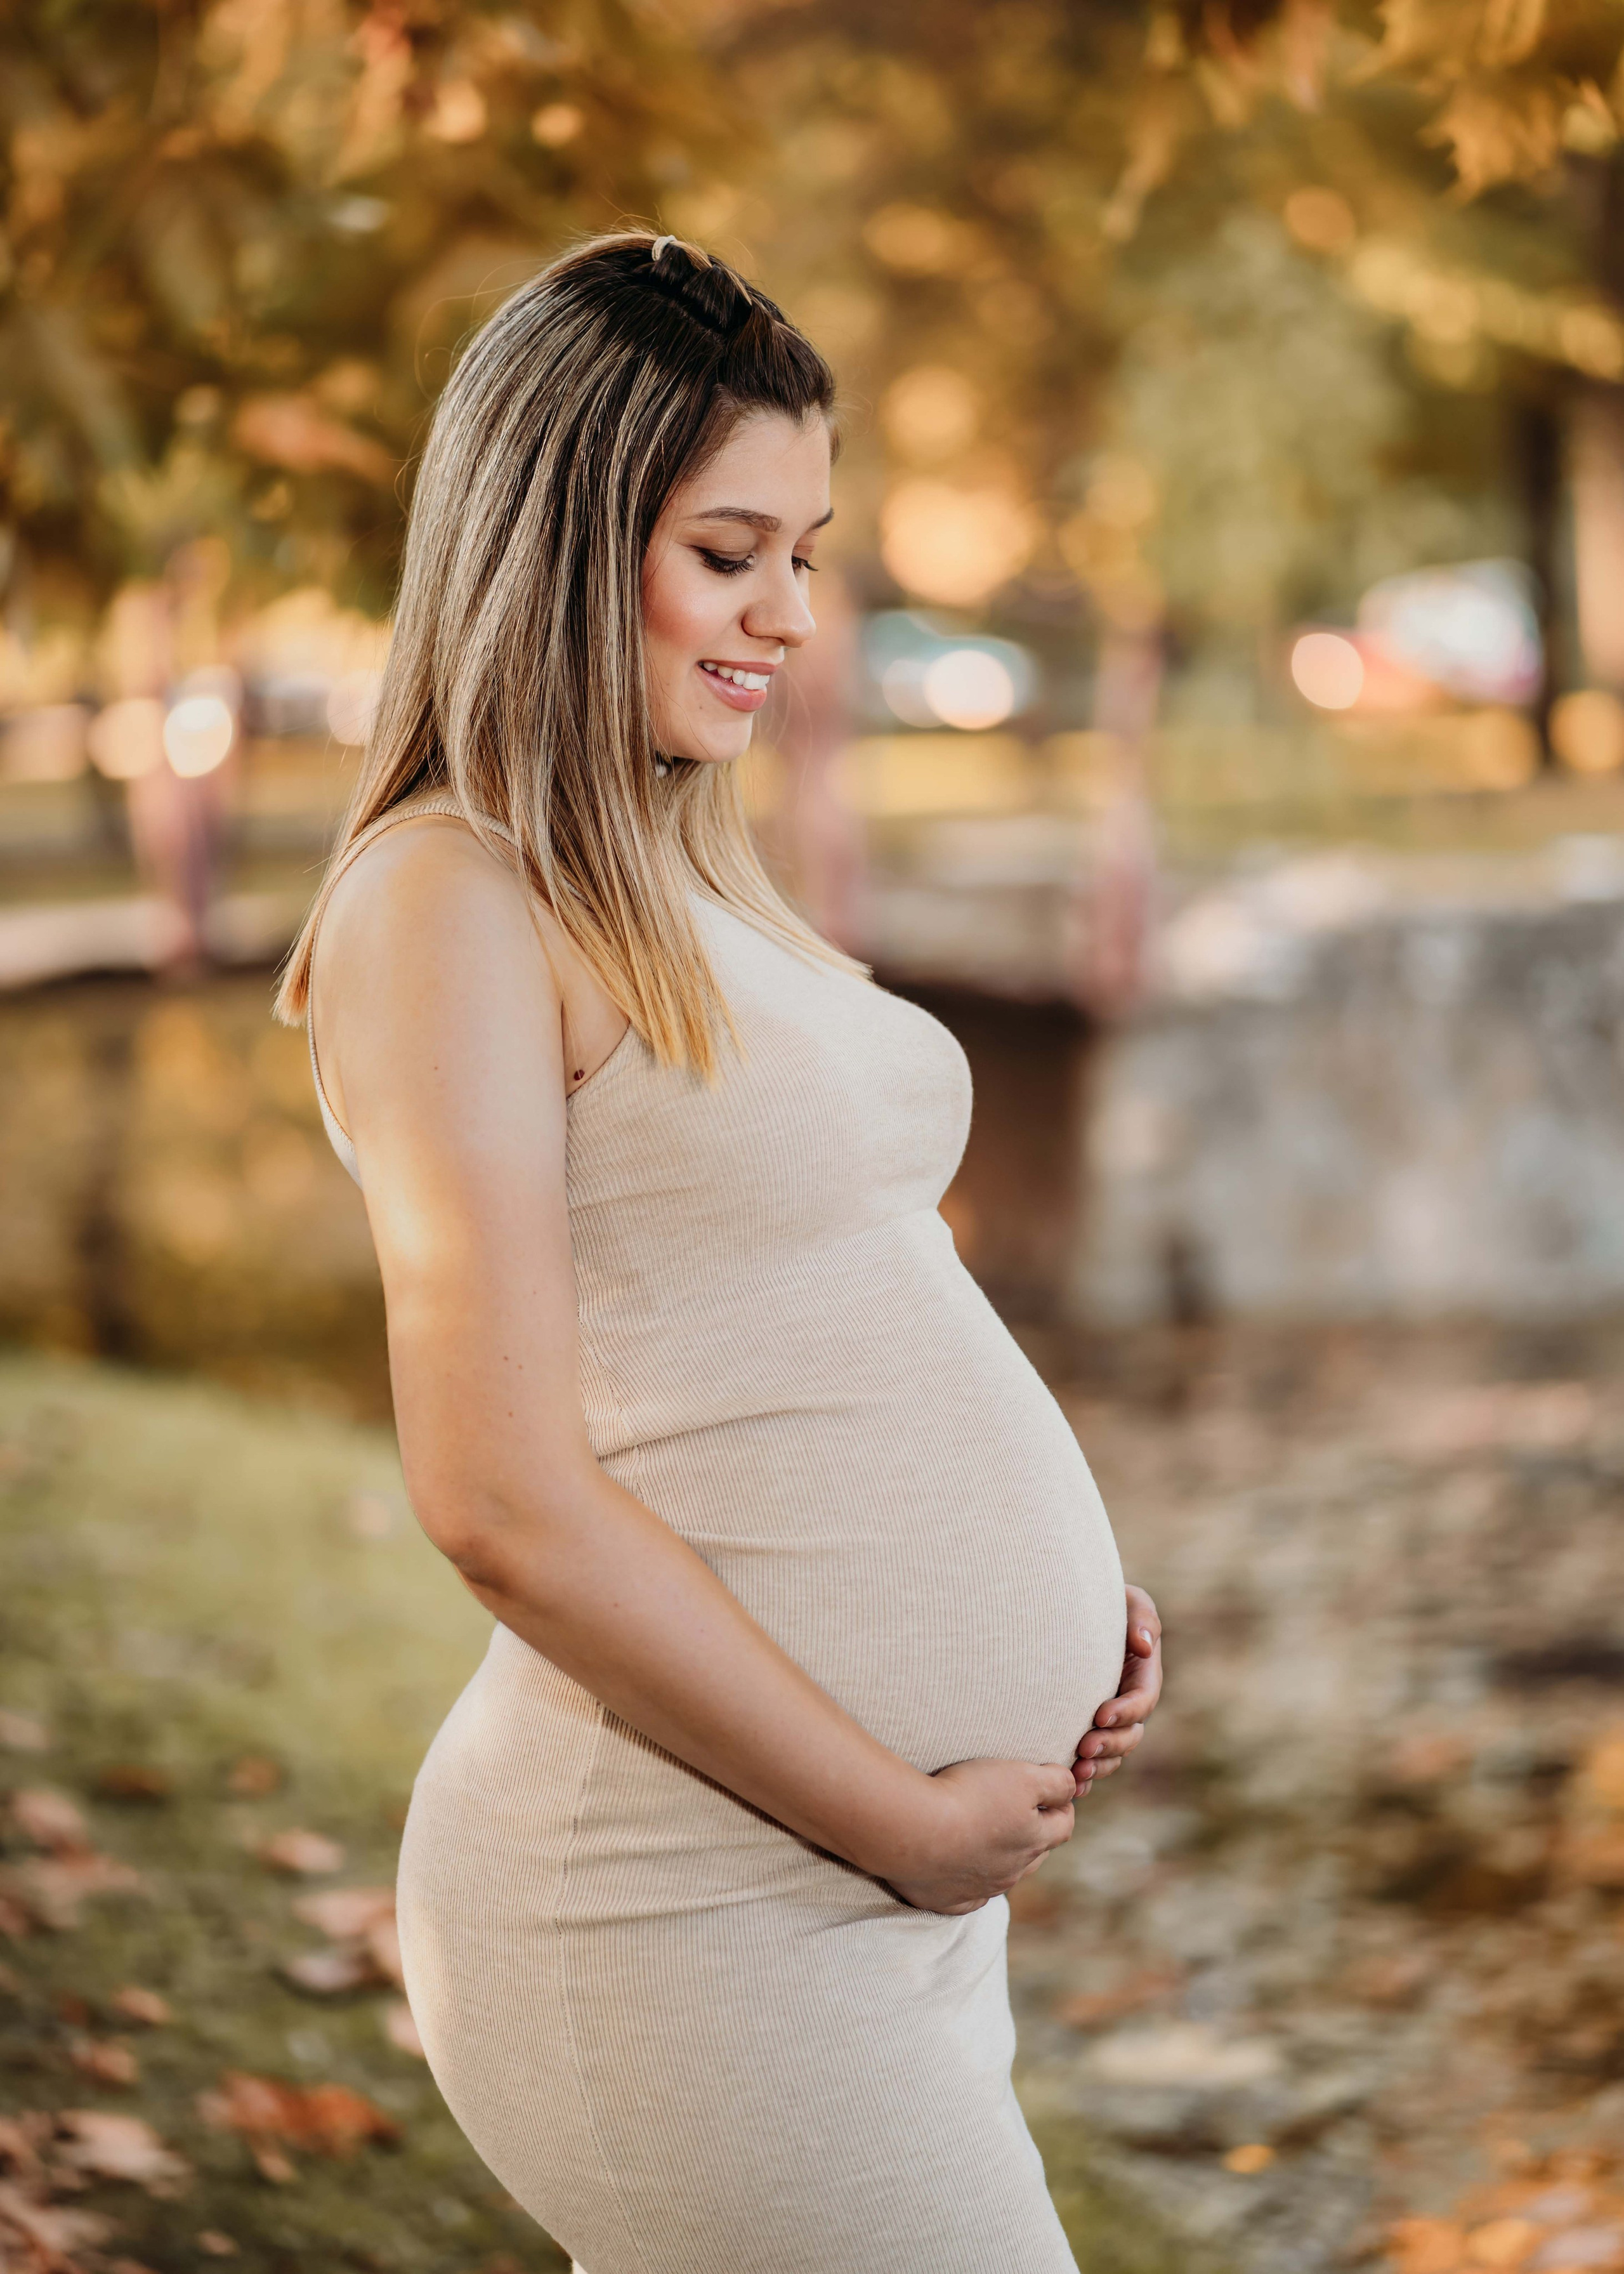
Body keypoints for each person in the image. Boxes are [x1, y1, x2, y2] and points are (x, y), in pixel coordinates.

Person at [277, 232, 1163, 2274]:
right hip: (682, 1893)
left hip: (858, 1890)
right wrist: (896, 1809)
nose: (785, 617)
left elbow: (805, 1298)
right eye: (727, 552)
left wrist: (1054, 1604)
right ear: (567, 543)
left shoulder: (686, 868)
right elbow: (495, 1498)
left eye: (809, 555)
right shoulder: (446, 902)